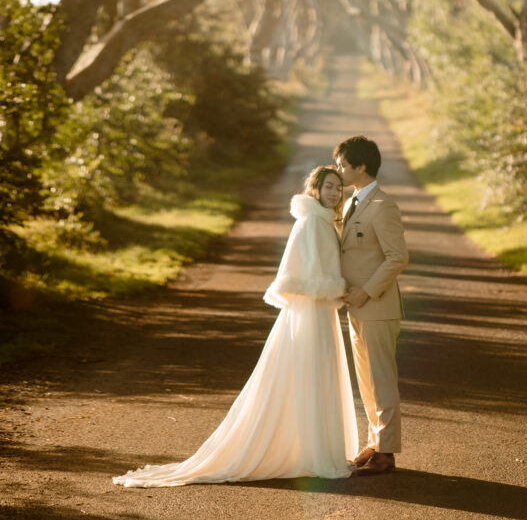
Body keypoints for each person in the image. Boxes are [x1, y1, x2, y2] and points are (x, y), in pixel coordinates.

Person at [113, 166, 358, 487]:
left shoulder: (324, 221)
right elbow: (302, 274)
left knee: (317, 374)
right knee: (308, 373)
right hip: (309, 312)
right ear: (315, 188)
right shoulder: (312, 221)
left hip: (320, 311)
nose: (334, 193)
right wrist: (331, 290)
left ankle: (314, 448)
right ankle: (311, 452)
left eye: (338, 188)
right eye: (328, 186)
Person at [334, 135, 408, 476]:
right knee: (366, 381)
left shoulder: (382, 205)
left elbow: (397, 257)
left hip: (377, 306)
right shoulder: (350, 203)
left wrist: (366, 291)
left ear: (361, 167)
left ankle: (387, 452)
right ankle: (374, 444)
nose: (338, 171)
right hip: (357, 307)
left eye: (343, 165)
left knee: (381, 379)